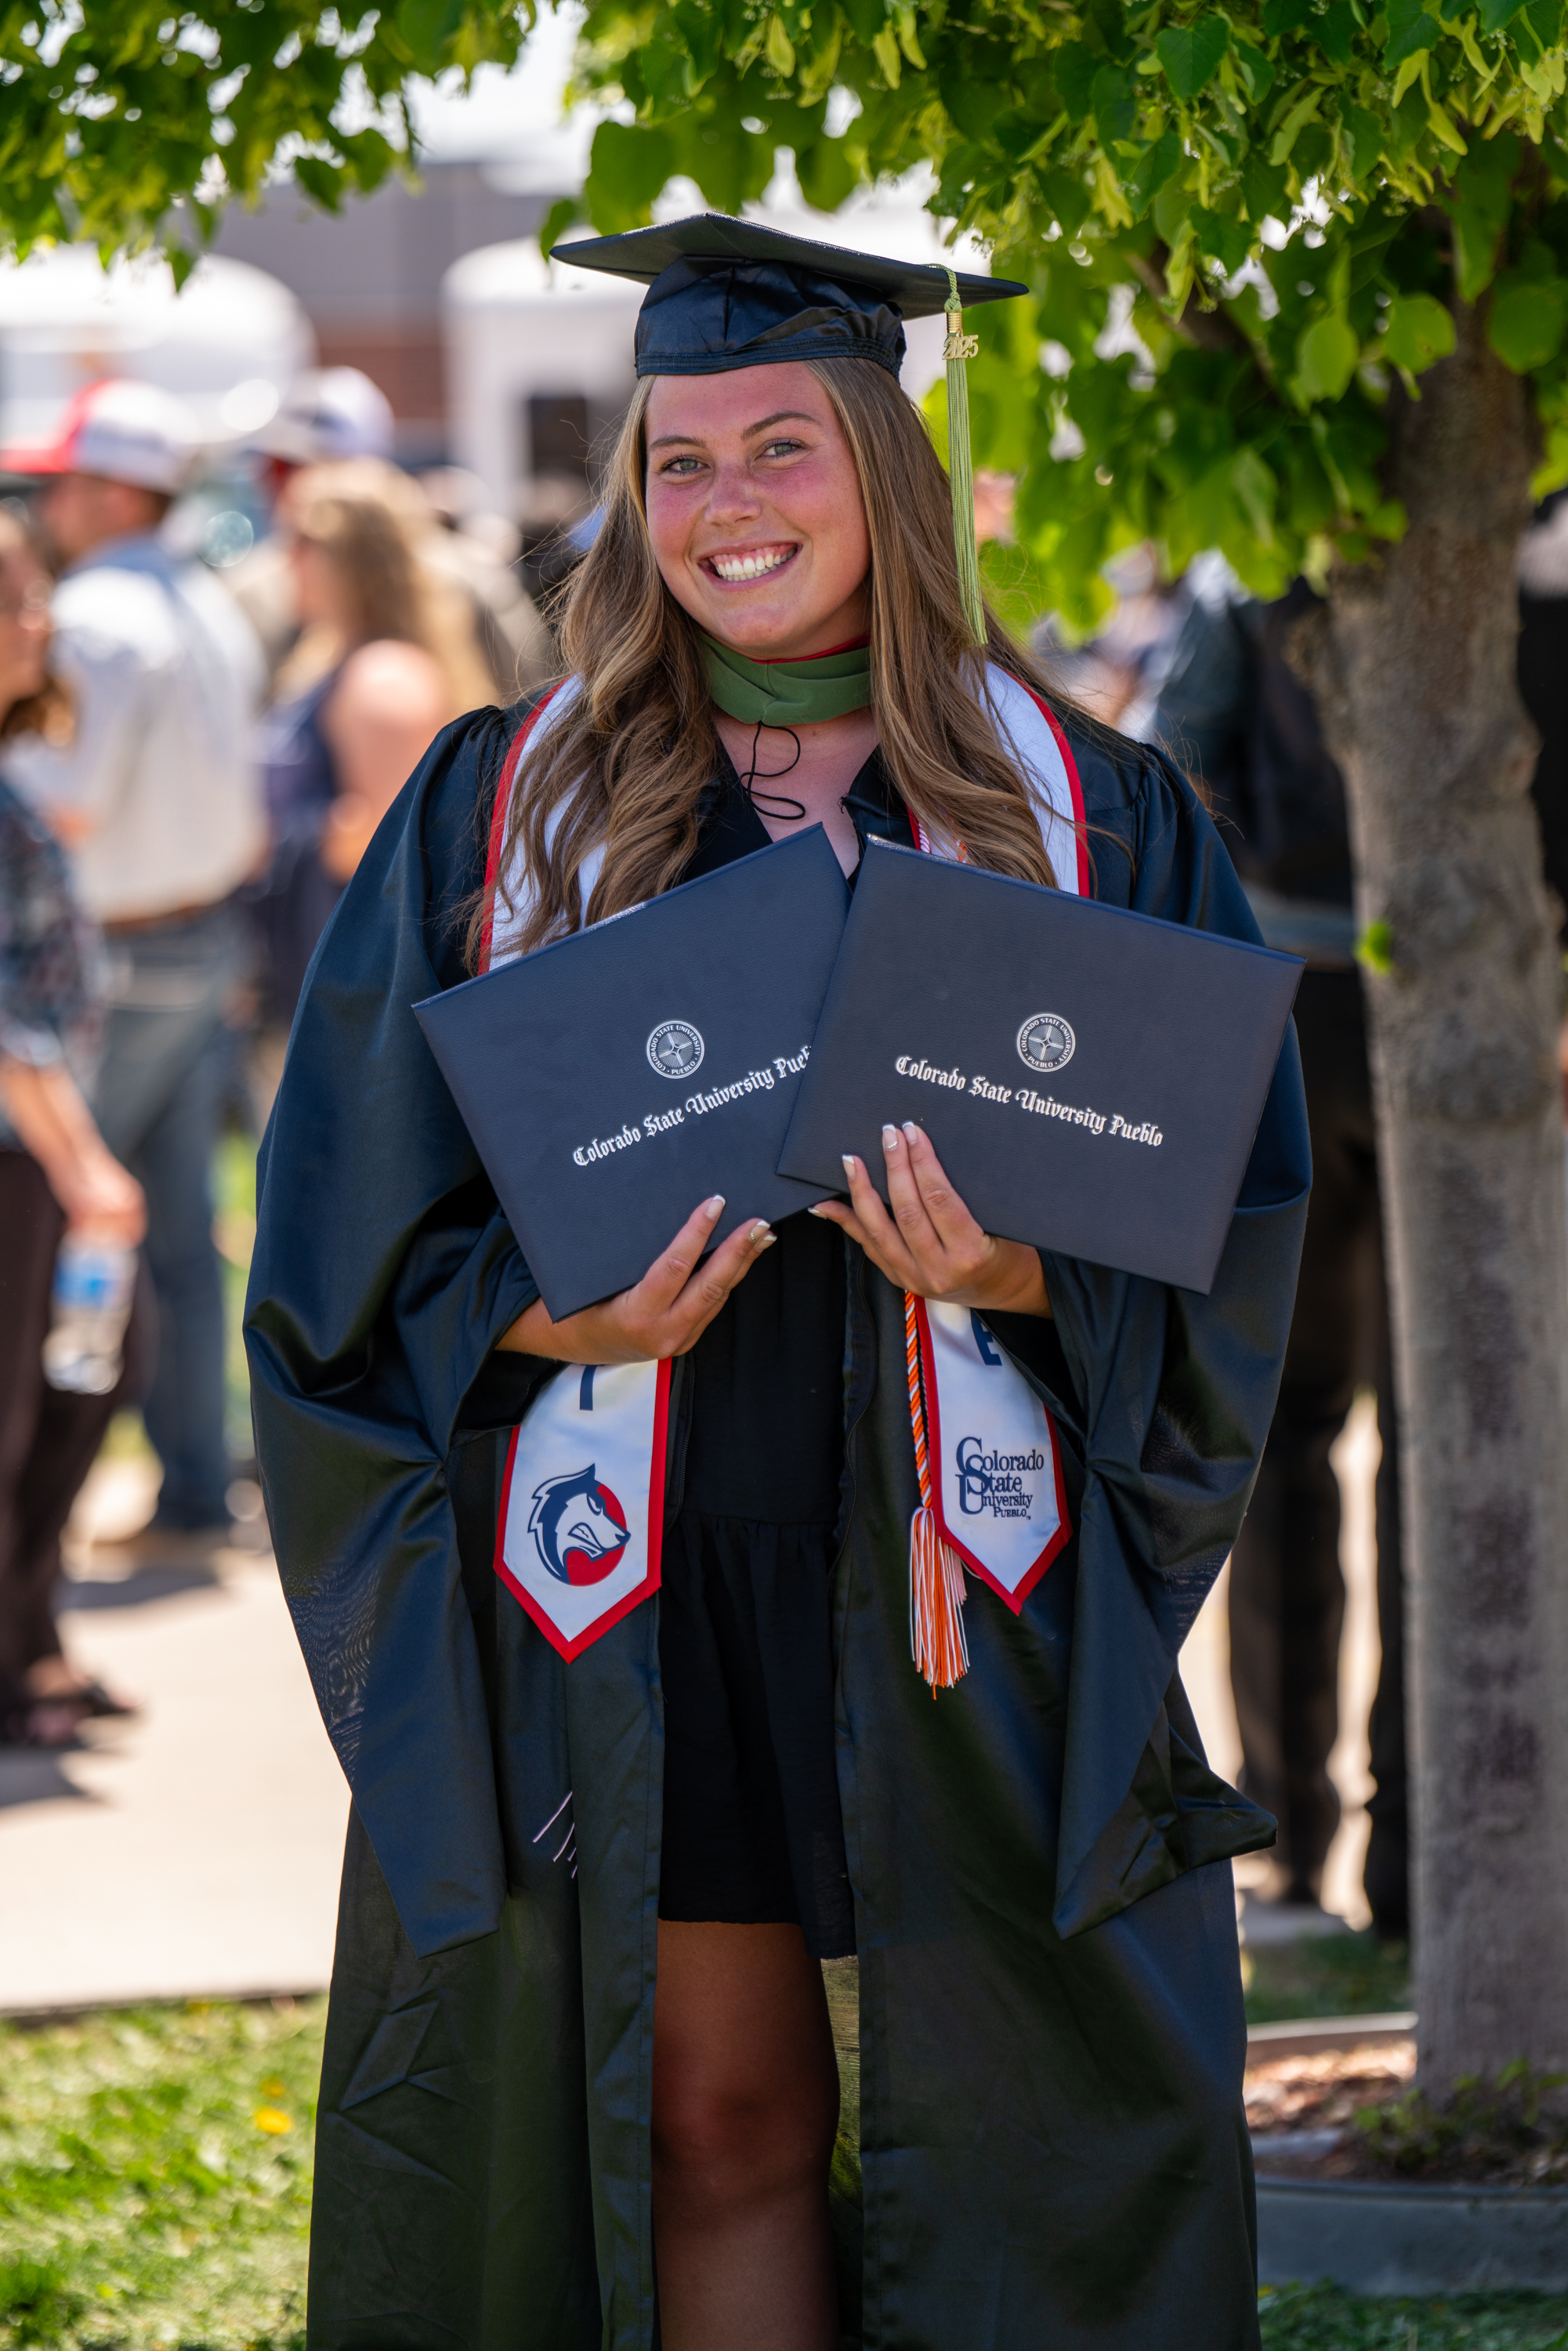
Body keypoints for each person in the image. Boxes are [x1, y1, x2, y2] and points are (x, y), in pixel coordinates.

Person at [246, 214, 1309, 2351]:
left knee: (1025, 2117)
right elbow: (344, 1248)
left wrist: (1012, 1266)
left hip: (959, 1565)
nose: (728, 507)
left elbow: (1226, 1208)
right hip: (645, 1571)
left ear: (888, 479)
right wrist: (566, 1320)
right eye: (681, 460)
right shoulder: (504, 805)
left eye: (783, 448)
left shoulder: (1082, 810)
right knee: (715, 2122)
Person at [1151, 567, 1407, 1936]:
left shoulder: (1251, 550)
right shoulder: (1525, 518)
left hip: (1294, 1007)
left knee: (1288, 1434)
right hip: (1466, 1000)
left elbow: (1171, 761)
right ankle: (1412, 1850)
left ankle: (1296, 1841)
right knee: (1435, 1432)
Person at [2, 378, 266, 1546]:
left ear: (108, 488)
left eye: (61, 483)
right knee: (174, 1237)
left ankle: (33, 1537)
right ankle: (195, 1484)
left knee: (59, 1239)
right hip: (197, 937)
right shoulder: (200, 595)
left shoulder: (100, 611)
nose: (49, 505)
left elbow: (70, 802)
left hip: (109, 961)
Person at [0, 508, 147, 1745]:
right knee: (38, 1406)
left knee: (91, 1379)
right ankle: (21, 1659)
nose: (39, 621)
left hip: (35, 1152)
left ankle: (34, 1639)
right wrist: (84, 1162)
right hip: (21, 1156)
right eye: (15, 602)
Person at [248, 463, 498, 1040]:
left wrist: (268, 844)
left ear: (344, 555)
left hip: (356, 982)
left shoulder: (384, 676)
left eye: (296, 541)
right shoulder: (332, 656)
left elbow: (389, 842)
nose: (284, 561)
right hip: (327, 961)